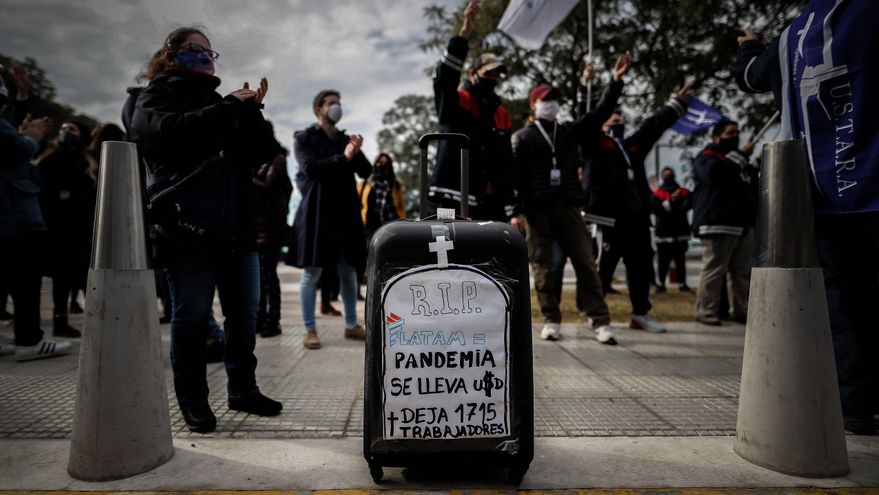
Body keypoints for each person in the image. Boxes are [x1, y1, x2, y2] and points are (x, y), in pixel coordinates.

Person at [735, 0, 879, 435]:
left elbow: (749, 78)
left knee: (845, 300)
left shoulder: (793, 36)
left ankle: (855, 403)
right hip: (869, 182)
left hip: (825, 190)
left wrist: (746, 46)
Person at [131, 26, 283, 433]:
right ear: (170, 57)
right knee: (193, 317)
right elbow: (162, 134)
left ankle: (243, 390)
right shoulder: (156, 95)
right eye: (193, 50)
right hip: (187, 229)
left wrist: (251, 111)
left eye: (208, 51)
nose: (204, 57)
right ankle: (194, 402)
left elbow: (264, 152)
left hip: (237, 228)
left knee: (244, 315)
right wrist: (229, 107)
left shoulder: (223, 103)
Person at [510, 55, 631, 344]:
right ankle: (551, 318)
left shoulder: (568, 132)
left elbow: (599, 113)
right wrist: (516, 210)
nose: (550, 103)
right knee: (542, 267)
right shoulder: (523, 137)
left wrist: (614, 82)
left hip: (569, 206)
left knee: (586, 262)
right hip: (537, 210)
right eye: (545, 99)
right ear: (534, 104)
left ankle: (599, 320)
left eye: (554, 99)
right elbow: (515, 177)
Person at [581, 85, 694, 334]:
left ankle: (640, 314)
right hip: (608, 220)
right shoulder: (595, 146)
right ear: (601, 124)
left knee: (641, 267)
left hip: (637, 220)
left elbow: (652, 126)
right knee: (603, 268)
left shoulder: (630, 148)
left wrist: (677, 103)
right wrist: (587, 88)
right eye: (613, 121)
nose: (618, 125)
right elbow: (586, 121)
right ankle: (595, 313)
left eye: (621, 121)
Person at [287, 89, 371, 350]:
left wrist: (357, 151)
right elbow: (312, 169)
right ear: (318, 109)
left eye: (338, 103)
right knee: (313, 272)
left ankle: (351, 325)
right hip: (318, 213)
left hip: (346, 213)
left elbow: (366, 171)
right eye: (331, 103)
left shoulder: (346, 139)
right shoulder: (305, 139)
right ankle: (310, 329)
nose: (336, 107)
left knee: (348, 272)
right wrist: (343, 158)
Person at [0, 65, 72, 361]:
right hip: (15, 216)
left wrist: (23, 96)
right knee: (25, 281)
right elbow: (15, 147)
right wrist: (33, 137)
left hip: (9, 214)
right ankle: (29, 339)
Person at [430, 0, 513, 221]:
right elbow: (444, 81)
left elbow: (506, 162)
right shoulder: (458, 101)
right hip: (452, 196)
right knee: (448, 251)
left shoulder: (501, 114)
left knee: (491, 253)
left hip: (489, 200)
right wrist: (463, 33)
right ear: (472, 75)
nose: (493, 80)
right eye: (488, 75)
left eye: (496, 76)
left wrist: (512, 204)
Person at [691, 121, 757, 326]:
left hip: (742, 223)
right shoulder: (708, 156)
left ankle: (741, 309)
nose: (735, 136)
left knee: (741, 271)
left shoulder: (741, 164)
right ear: (717, 137)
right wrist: (740, 157)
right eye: (730, 133)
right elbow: (713, 176)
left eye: (737, 132)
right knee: (714, 269)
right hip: (717, 222)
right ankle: (705, 310)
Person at [35, 120, 97, 339]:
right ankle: (59, 320)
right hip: (56, 227)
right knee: (61, 276)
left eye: (71, 129)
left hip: (81, 228)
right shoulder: (49, 157)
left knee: (83, 275)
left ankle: (96, 318)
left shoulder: (87, 162)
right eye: (62, 129)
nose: (65, 132)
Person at [251, 142, 293, 338]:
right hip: (257, 228)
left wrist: (248, 177)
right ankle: (260, 319)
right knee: (260, 277)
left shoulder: (277, 161)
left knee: (268, 276)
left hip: (271, 229)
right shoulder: (260, 162)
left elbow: (269, 188)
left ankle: (273, 321)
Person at [652, 166, 692, 292]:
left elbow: (688, 205)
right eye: (666, 175)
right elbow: (656, 209)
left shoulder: (684, 192)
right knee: (663, 261)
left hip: (680, 231)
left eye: (670, 175)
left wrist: (676, 202)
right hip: (663, 232)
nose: (668, 178)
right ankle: (661, 284)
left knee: (680, 260)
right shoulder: (657, 194)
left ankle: (682, 284)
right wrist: (670, 201)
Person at [359, 153, 407, 241]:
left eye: (386, 163)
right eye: (380, 162)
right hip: (369, 225)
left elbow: (401, 206)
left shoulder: (395, 184)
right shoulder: (366, 183)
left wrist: (403, 224)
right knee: (371, 250)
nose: (383, 165)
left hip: (390, 225)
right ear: (376, 162)